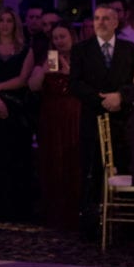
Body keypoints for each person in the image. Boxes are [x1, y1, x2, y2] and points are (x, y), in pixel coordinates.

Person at [69, 3, 134, 238]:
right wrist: (101, 100)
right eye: (97, 18)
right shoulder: (81, 50)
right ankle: (91, 226)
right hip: (93, 118)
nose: (100, 22)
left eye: (106, 18)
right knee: (92, 171)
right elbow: (75, 84)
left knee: (125, 168)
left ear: (116, 22)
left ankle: (126, 228)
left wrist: (120, 97)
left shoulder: (131, 50)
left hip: (124, 120)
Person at [0, 6, 35, 221]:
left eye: (9, 21)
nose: (5, 25)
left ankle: (18, 209)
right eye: (2, 21)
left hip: (17, 109)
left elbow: (23, 79)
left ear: (15, 24)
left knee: (17, 157)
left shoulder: (26, 49)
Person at [28, 21, 81, 231]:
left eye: (63, 36)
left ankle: (74, 212)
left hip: (74, 114)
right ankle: (53, 213)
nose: (59, 41)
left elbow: (87, 86)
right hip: (51, 117)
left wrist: (68, 71)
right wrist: (43, 72)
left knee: (73, 161)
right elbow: (33, 86)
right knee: (52, 160)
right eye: (56, 38)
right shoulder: (48, 59)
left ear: (71, 37)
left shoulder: (82, 57)